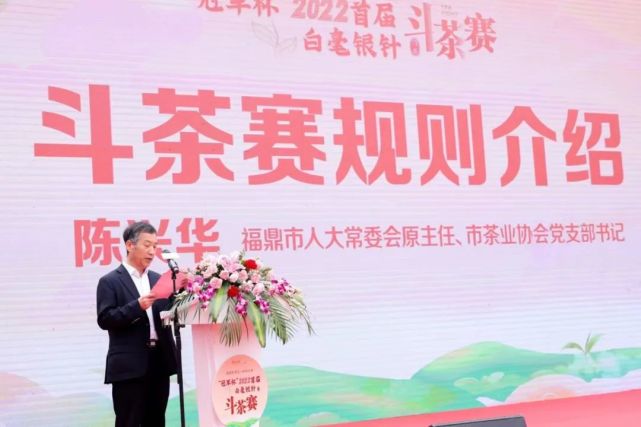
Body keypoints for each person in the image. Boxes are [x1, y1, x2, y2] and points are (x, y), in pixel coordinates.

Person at [96, 221, 177, 427]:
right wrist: (137, 306)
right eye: (147, 245)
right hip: (129, 366)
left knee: (156, 421)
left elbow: (169, 313)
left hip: (159, 361)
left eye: (155, 246)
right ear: (130, 245)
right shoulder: (110, 281)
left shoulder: (159, 279)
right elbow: (105, 319)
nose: (152, 251)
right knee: (129, 421)